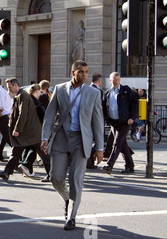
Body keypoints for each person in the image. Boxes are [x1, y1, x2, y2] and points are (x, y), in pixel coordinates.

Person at [41, 60, 104, 230]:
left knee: (76, 180)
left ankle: (71, 217)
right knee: (56, 177)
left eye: (86, 72)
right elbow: (49, 115)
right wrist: (45, 137)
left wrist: (100, 148)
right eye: (81, 72)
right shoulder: (60, 89)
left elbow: (98, 121)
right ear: (73, 72)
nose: (84, 75)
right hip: (61, 138)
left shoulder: (93, 93)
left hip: (81, 140)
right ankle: (68, 199)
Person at [0, 78, 45, 182]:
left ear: (16, 85)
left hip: (29, 132)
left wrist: (17, 129)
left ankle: (53, 174)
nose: (8, 90)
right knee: (16, 152)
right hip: (29, 131)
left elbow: (23, 114)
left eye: (10, 87)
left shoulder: (22, 96)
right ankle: (6, 172)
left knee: (43, 154)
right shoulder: (20, 95)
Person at [102, 72, 139, 174]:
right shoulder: (108, 93)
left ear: (120, 80)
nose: (116, 82)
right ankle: (130, 166)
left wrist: (132, 117)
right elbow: (104, 108)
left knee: (117, 143)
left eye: (118, 80)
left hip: (124, 122)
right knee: (122, 145)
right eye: (114, 80)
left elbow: (135, 103)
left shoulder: (126, 90)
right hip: (114, 122)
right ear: (110, 81)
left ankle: (109, 165)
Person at [18, 83, 51, 181]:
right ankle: (50, 174)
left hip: (30, 131)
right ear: (37, 91)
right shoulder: (35, 102)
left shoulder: (29, 99)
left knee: (31, 149)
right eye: (39, 92)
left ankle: (26, 166)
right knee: (43, 152)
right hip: (36, 131)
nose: (40, 94)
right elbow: (43, 115)